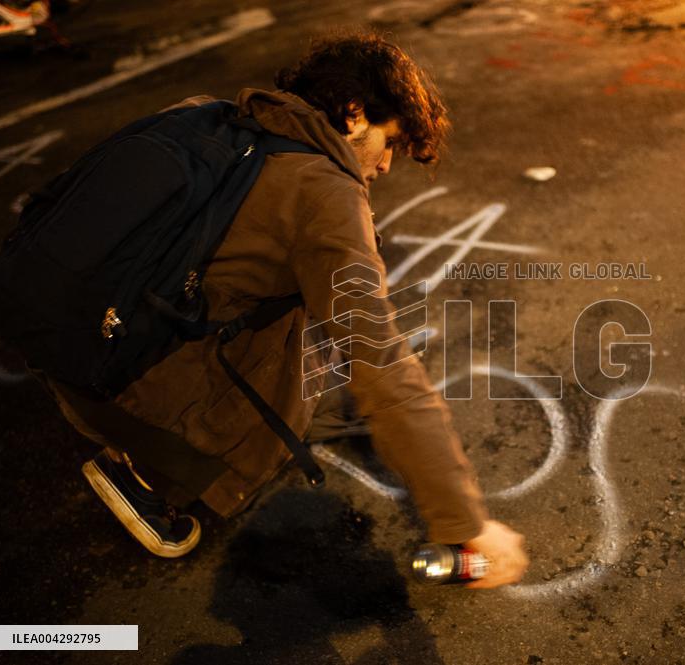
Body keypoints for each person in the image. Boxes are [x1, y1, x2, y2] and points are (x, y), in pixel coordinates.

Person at [48, 31, 529, 589]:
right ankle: (150, 478)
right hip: (132, 392)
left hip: (73, 350)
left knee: (327, 381)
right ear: (352, 114)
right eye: (390, 141)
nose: (386, 165)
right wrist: (467, 522)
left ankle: (145, 432)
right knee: (324, 398)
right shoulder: (321, 194)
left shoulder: (205, 116)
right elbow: (385, 369)